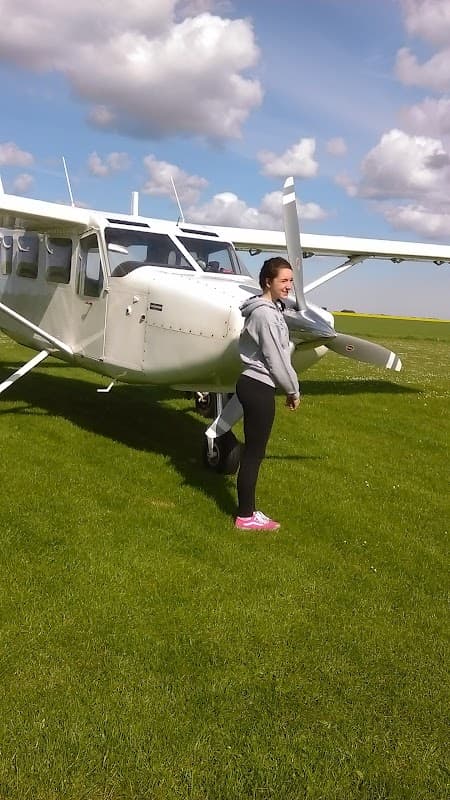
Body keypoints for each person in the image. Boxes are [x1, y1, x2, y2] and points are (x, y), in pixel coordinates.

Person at [235, 257, 301, 531]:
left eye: (290, 281)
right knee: (254, 453)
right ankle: (246, 517)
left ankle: (247, 512)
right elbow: (277, 358)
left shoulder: (271, 309)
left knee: (254, 451)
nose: (289, 286)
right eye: (283, 281)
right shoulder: (264, 314)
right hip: (258, 385)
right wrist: (293, 389)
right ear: (268, 282)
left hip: (256, 384)